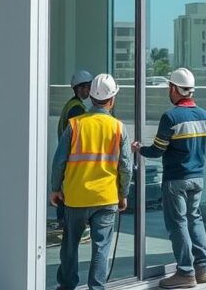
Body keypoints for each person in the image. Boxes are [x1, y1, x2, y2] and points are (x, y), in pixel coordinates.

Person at [50, 73, 133, 290]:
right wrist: (123, 194)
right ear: (112, 99)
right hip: (106, 198)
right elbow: (125, 166)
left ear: (92, 97)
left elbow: (59, 161)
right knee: (101, 248)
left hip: (76, 197)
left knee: (70, 246)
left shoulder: (75, 125)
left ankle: (67, 285)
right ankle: (96, 288)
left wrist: (55, 189)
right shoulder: (118, 128)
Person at [133, 68, 206, 289]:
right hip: (197, 177)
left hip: (176, 179)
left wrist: (139, 149)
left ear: (173, 89)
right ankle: (203, 268)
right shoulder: (205, 116)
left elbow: (158, 150)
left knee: (178, 223)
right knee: (194, 219)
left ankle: (185, 272)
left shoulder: (171, 117)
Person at [53, 70, 94, 230]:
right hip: (73, 160)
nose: (89, 91)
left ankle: (64, 222)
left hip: (69, 157)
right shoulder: (77, 109)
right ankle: (66, 222)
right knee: (68, 193)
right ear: (79, 88)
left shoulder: (72, 105)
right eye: (87, 87)